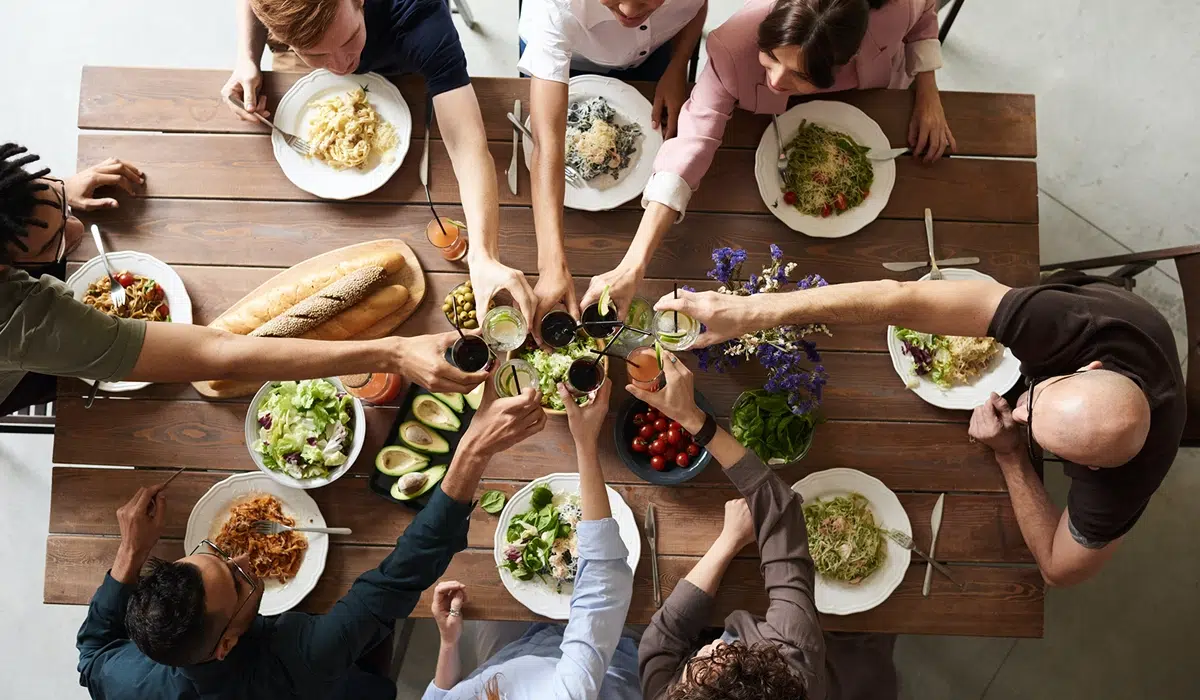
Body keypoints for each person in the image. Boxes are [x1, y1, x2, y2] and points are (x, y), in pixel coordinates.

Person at [653, 270, 1187, 587]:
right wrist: (755, 311)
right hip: (1091, 309)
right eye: (1038, 398)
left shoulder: (1125, 484)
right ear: (1086, 369)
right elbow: (901, 297)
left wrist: (1009, 456)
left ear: (1091, 469)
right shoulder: (1072, 328)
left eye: (1033, 428)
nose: (1017, 408)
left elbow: (1057, 567)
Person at [75, 379, 548, 699]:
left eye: (214, 555)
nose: (243, 557)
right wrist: (473, 450)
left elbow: (92, 650)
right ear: (224, 646)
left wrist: (131, 551)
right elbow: (400, 576)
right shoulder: (302, 656)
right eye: (239, 581)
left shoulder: (124, 680)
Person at [0, 143, 486, 415]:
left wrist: (48, 200)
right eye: (53, 247)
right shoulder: (25, 321)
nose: (79, 229)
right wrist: (394, 352)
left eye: (61, 207)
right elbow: (215, 352)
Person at [582, 0, 953, 319]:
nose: (775, 80)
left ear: (847, 58)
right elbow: (691, 144)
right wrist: (634, 263)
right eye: (772, 57)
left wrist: (928, 92)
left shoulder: (895, 9)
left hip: (872, 106)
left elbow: (924, 17)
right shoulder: (732, 46)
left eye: (799, 75)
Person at [221, 0, 540, 337]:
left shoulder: (422, 20)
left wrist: (483, 255)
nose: (341, 66)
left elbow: (466, 145)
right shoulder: (303, 38)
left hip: (400, 56)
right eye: (317, 54)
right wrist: (247, 58)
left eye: (348, 40)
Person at [631, 353, 897, 700]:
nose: (705, 650)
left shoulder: (670, 696)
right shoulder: (794, 658)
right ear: (757, 672)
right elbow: (782, 513)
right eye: (718, 661)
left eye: (690, 671)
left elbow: (659, 643)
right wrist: (695, 420)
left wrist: (728, 542)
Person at [421, 380, 642, 700]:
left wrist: (450, 641)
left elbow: (440, 695)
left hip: (515, 654)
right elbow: (602, 582)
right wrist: (584, 442)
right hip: (614, 659)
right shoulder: (567, 695)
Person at [518, 0, 708, 329]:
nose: (630, 10)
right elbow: (548, 145)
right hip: (573, 58)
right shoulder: (555, 10)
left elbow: (697, 7)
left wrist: (678, 65)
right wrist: (551, 267)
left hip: (654, 54)